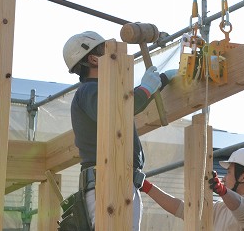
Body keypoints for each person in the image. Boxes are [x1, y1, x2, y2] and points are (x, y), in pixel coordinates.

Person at [63, 30, 176, 230]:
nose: (114, 55)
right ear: (93, 59)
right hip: (109, 183)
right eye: (105, 50)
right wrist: (146, 88)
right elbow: (117, 111)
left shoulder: (104, 92)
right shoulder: (89, 91)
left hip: (117, 182)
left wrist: (164, 79)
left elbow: (125, 102)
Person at [140, 147, 244, 231]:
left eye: (229, 172)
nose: (224, 178)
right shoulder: (221, 208)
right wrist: (146, 186)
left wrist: (222, 190)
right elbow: (182, 209)